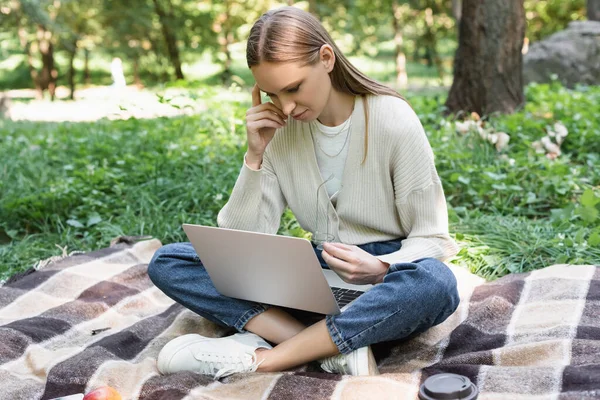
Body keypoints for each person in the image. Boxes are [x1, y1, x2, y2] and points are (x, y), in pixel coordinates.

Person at [148, 6, 460, 379]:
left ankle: (268, 357)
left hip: (385, 280)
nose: (287, 106)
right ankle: (328, 346)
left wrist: (380, 268)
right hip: (317, 275)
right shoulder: (280, 131)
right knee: (170, 261)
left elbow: (434, 237)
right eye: (273, 94)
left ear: (326, 58)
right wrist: (255, 156)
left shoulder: (392, 119)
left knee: (437, 283)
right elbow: (242, 243)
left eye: (294, 88)